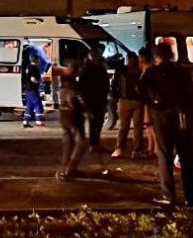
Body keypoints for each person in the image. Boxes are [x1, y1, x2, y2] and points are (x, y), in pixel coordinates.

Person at [139, 41, 193, 208]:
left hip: (163, 117)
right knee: (187, 158)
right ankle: (190, 199)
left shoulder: (151, 72)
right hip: (183, 117)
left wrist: (153, 105)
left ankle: (168, 195)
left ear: (156, 56)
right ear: (171, 55)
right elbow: (191, 94)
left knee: (165, 155)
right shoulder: (182, 71)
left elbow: (140, 91)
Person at [79, 45, 112, 173]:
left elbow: (105, 82)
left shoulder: (100, 68)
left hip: (100, 99)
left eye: (96, 56)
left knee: (99, 122)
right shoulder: (86, 69)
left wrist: (106, 93)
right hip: (91, 101)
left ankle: (96, 142)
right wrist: (85, 101)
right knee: (94, 122)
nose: (95, 58)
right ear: (89, 57)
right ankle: (93, 144)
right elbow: (82, 86)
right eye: (93, 56)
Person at [56, 58, 89, 179]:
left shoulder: (63, 82)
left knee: (68, 145)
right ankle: (70, 169)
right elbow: (76, 101)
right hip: (73, 118)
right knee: (80, 143)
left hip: (64, 117)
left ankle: (63, 169)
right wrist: (85, 109)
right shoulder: (73, 85)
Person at [111, 53, 145, 159]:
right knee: (137, 127)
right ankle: (137, 150)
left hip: (125, 100)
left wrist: (116, 98)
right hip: (138, 101)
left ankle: (119, 149)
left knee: (124, 127)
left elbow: (114, 85)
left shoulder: (121, 71)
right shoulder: (140, 72)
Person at [22, 51, 45, 128]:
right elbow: (33, 79)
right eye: (38, 59)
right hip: (33, 89)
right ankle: (38, 121)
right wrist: (40, 81)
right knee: (37, 104)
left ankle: (25, 121)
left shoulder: (28, 67)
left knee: (30, 105)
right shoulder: (33, 68)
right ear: (36, 60)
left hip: (28, 89)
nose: (39, 61)